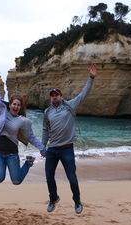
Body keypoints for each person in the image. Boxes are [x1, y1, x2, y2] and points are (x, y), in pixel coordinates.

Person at [42, 64, 97, 214]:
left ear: (61, 96)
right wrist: (42, 146)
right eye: (52, 95)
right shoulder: (47, 112)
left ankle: (77, 202)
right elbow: (45, 130)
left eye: (57, 94)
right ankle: (53, 199)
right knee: (49, 177)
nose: (54, 97)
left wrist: (91, 78)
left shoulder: (70, 106)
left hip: (67, 149)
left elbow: (83, 94)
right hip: (52, 149)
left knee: (72, 178)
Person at [0, 71, 46, 185]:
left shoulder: (23, 121)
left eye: (18, 105)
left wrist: (42, 148)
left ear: (20, 107)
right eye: (14, 104)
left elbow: (31, 137)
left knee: (17, 181)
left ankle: (28, 163)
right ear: (10, 105)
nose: (16, 106)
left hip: (12, 153)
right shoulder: (2, 111)